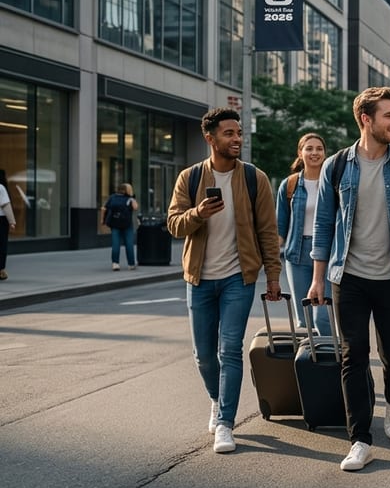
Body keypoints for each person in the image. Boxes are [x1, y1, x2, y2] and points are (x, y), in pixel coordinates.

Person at [308, 86, 390, 472]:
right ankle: (360, 439)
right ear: (366, 119)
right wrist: (318, 279)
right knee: (353, 357)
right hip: (347, 276)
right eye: (389, 116)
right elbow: (323, 225)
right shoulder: (337, 165)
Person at [166, 107, 282, 455]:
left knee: (229, 349)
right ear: (210, 138)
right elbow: (173, 224)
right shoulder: (189, 178)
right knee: (204, 355)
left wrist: (272, 276)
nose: (236, 139)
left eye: (239, 133)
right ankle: (216, 400)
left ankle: (226, 424)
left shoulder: (253, 178)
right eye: (229, 133)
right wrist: (197, 214)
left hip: (238, 277)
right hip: (199, 278)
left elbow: (268, 231)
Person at [275, 133, 332, 335]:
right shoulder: (289, 185)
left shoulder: (333, 184)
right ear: (300, 152)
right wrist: (269, 261)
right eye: (309, 148)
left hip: (327, 254)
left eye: (319, 148)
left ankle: (329, 360)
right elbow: (280, 228)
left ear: (325, 153)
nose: (314, 153)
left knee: (323, 317)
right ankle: (310, 362)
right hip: (296, 255)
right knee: (304, 317)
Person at [102, 183, 138, 271]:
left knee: (115, 244)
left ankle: (115, 263)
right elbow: (135, 207)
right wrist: (132, 199)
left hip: (115, 223)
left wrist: (102, 220)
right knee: (129, 244)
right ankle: (131, 264)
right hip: (127, 224)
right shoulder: (129, 198)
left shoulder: (112, 197)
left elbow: (104, 208)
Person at [0, 170, 14, 280]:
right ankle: (1, 270)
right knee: (1, 244)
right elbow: (5, 205)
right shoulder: (1, 188)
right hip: (1, 219)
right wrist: (12, 221)